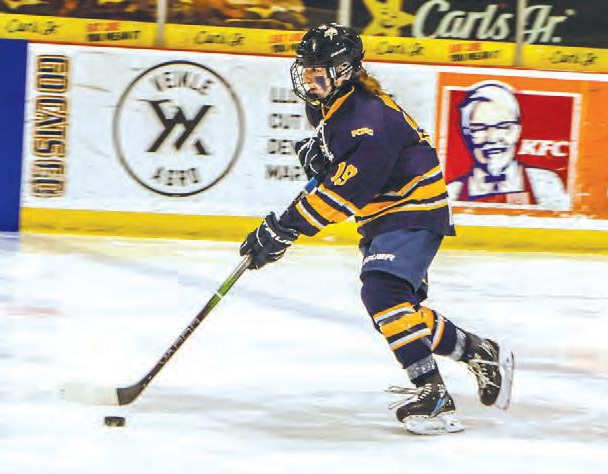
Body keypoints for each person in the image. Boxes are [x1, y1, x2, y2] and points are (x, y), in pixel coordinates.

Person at [239, 23, 514, 435]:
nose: (308, 79)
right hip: (385, 217)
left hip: (412, 211)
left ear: (344, 70)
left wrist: (284, 229)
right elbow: (341, 172)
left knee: (382, 293)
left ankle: (434, 396)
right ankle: (479, 352)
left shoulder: (367, 121)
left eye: (317, 70)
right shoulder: (332, 105)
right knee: (398, 311)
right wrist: (325, 162)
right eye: (305, 69)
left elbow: (342, 195)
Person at [448, 81, 569, 209]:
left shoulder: (545, 184)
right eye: (479, 128)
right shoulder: (451, 193)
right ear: (466, 134)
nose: (492, 138)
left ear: (517, 131)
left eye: (503, 126)